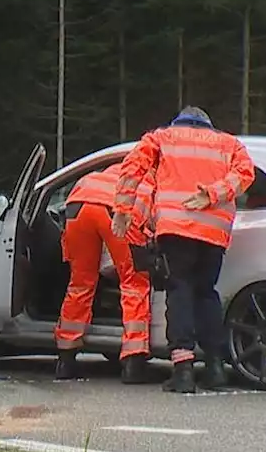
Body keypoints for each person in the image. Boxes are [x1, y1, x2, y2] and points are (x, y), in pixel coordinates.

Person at [111, 106, 255, 393]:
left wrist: (123, 210)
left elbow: (131, 170)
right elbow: (245, 174)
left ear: (179, 122)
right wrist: (213, 194)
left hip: (176, 228)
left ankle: (183, 370)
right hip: (214, 231)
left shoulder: (162, 137)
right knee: (206, 292)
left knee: (180, 292)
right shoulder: (229, 143)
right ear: (208, 124)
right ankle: (215, 367)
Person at [54, 162, 157, 384]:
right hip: (116, 210)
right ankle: (133, 363)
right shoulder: (152, 181)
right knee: (134, 283)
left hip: (78, 206)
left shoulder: (115, 169)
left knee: (80, 283)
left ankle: (65, 359)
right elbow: (151, 221)